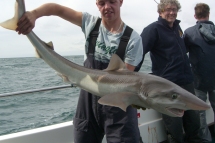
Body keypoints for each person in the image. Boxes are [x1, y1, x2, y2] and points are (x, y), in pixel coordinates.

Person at [16, 0, 143, 143]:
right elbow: (57, 9)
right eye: (102, 3)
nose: (107, 7)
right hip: (87, 101)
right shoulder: (90, 23)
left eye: (112, 1)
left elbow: (123, 82)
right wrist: (33, 14)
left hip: (119, 106)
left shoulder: (133, 39)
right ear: (96, 4)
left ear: (120, 2)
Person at [138, 0, 205, 142]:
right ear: (160, 11)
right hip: (167, 85)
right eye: (168, 9)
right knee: (174, 127)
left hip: (186, 81)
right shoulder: (153, 29)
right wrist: (130, 76)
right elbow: (138, 53)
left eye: (174, 9)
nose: (172, 12)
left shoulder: (177, 28)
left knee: (194, 122)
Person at [184, 3, 215, 142]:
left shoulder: (189, 32)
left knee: (200, 113)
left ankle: (205, 140)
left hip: (198, 80)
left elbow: (182, 52)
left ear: (195, 16)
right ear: (209, 13)